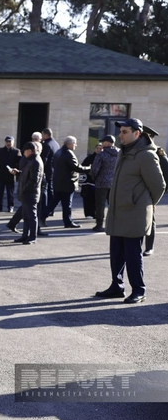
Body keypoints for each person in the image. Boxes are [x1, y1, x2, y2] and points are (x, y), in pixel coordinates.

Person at [94, 118, 164, 304]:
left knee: (133, 255)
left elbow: (159, 186)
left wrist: (146, 203)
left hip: (135, 213)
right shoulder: (122, 153)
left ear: (137, 134)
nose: (120, 135)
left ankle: (139, 290)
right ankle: (117, 286)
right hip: (118, 211)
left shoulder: (146, 155)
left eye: (124, 132)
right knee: (116, 252)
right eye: (120, 131)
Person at [49, 136, 90, 228]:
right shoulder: (68, 153)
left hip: (59, 181)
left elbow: (53, 164)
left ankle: (43, 216)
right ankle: (68, 222)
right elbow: (77, 167)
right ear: (69, 144)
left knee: (54, 202)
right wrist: (89, 168)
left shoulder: (59, 152)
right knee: (67, 204)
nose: (76, 145)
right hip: (67, 183)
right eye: (74, 143)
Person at [13, 142, 43, 245]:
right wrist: (18, 172)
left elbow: (34, 179)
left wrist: (24, 189)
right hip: (27, 193)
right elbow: (27, 174)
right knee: (26, 216)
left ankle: (32, 237)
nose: (23, 154)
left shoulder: (35, 161)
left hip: (30, 193)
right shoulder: (30, 161)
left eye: (24, 152)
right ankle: (25, 235)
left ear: (29, 151)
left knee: (32, 216)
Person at [144, 146, 168, 256]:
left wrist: (154, 200)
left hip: (151, 194)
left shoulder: (161, 160)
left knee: (150, 220)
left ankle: (149, 247)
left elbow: (163, 182)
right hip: (142, 193)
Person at [91, 135, 118, 232]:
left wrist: (94, 178)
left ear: (107, 142)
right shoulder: (120, 154)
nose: (102, 144)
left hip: (101, 182)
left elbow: (95, 169)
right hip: (115, 183)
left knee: (100, 205)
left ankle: (99, 225)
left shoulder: (101, 154)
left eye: (103, 142)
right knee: (113, 205)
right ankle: (113, 224)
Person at [0, 136, 21, 212]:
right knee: (0, 192)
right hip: (1, 174)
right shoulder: (0, 150)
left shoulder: (16, 151)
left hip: (10, 175)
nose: (8, 143)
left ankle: (10, 206)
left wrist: (15, 170)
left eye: (10, 142)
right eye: (7, 142)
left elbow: (20, 163)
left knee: (10, 192)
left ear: (13, 142)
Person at [40, 128, 59, 224]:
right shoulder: (55, 144)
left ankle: (46, 209)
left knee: (45, 190)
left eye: (42, 135)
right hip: (53, 170)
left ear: (45, 134)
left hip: (47, 171)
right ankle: (50, 209)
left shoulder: (46, 145)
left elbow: (44, 159)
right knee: (50, 190)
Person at [80, 143, 102, 219]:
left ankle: (96, 213)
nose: (98, 150)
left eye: (100, 148)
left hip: (99, 182)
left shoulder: (104, 157)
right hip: (89, 182)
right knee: (88, 198)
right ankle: (89, 213)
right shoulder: (90, 158)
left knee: (97, 199)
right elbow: (82, 167)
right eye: (97, 148)